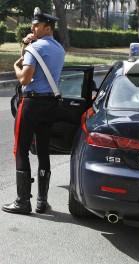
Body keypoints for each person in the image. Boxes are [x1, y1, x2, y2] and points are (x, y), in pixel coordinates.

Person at [2, 7, 65, 215]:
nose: (32, 27)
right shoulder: (58, 48)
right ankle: (41, 202)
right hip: (50, 105)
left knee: (20, 149)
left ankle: (22, 201)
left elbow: (24, 78)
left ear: (47, 27)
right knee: (44, 151)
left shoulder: (36, 47)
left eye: (36, 25)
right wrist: (26, 47)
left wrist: (15, 65)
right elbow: (36, 64)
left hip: (31, 105)